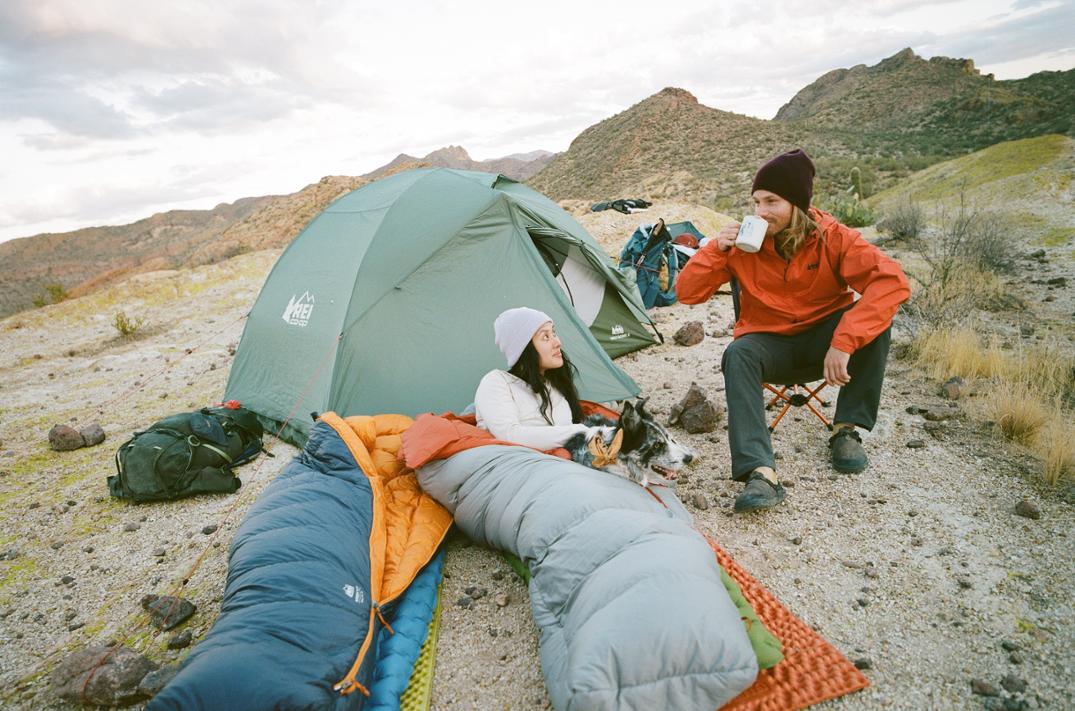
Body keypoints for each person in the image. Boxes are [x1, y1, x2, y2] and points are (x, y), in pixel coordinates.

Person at [676, 149, 910, 513]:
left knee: (875, 321)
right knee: (738, 353)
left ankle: (845, 430)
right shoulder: (742, 245)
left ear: (797, 205)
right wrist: (714, 251)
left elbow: (892, 283)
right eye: (756, 201)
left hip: (825, 343)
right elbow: (687, 293)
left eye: (771, 201)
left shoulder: (835, 238)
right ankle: (760, 471)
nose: (760, 212)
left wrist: (844, 340)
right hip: (771, 346)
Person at [475, 307, 608, 450]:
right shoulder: (496, 382)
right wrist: (577, 431)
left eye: (554, 333)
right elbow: (510, 436)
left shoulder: (554, 386)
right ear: (523, 348)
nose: (557, 342)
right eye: (546, 337)